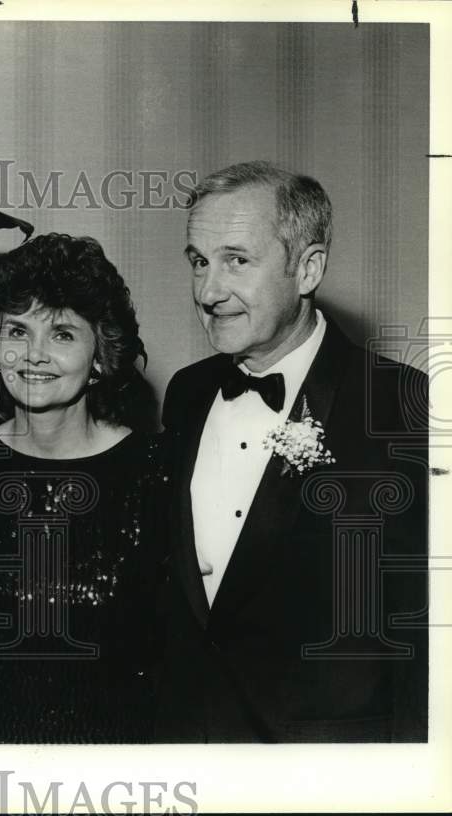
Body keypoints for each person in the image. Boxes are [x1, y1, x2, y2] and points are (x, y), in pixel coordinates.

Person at [156, 161, 428, 742]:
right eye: (199, 262)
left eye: (237, 260)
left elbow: (428, 625)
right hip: (191, 748)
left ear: (308, 268)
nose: (208, 292)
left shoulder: (404, 404)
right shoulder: (186, 393)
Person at [0, 233, 166, 743]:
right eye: (18, 331)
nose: (33, 355)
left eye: (62, 334)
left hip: (119, 758)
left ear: (101, 355)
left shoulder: (153, 469)